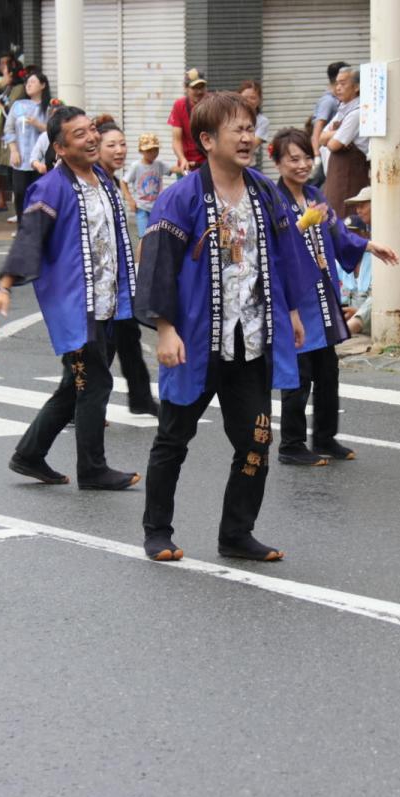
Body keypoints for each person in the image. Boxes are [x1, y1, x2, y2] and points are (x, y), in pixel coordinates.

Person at [135, 92, 308, 562]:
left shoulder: (265, 192)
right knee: (174, 437)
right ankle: (157, 531)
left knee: (256, 438)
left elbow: (286, 255)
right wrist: (165, 329)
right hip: (195, 339)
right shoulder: (180, 198)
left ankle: (236, 534)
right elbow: (157, 266)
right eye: (238, 129)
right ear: (207, 140)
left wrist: (291, 311)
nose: (248, 137)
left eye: (251, 127)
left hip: (250, 339)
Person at [0, 105, 140, 491]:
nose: (91, 138)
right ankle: (92, 469)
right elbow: (28, 237)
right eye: (79, 134)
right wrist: (4, 285)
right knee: (95, 383)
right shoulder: (50, 188)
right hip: (75, 306)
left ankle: (29, 454)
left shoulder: (103, 180)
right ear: (59, 146)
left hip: (106, 301)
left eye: (91, 130)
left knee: (76, 383)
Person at [270, 129, 397, 466]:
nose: (302, 165)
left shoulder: (315, 194)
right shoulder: (272, 200)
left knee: (328, 371)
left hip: (321, 299)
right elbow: (270, 248)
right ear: (277, 162)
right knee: (299, 376)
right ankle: (292, 445)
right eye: (293, 159)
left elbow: (339, 232)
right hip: (294, 301)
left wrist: (370, 245)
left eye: (306, 158)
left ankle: (325, 437)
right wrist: (299, 226)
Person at [96, 115, 158, 416]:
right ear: (96, 147)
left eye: (122, 144)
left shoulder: (110, 182)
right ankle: (74, 407)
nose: (119, 150)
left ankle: (141, 398)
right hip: (101, 285)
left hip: (120, 281)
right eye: (112, 145)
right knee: (101, 349)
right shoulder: (92, 182)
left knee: (129, 338)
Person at [320, 65, 369, 219]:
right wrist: (335, 135)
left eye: (343, 83)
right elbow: (321, 137)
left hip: (351, 174)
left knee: (347, 218)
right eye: (337, 84)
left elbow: (334, 145)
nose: (338, 88)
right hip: (336, 175)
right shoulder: (343, 109)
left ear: (356, 87)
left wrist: (331, 138)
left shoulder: (357, 112)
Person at [5, 70, 50, 225]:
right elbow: (9, 129)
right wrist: (13, 150)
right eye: (27, 82)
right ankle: (22, 228)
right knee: (19, 193)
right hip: (21, 159)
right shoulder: (18, 105)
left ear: (43, 85)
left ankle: (38, 229)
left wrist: (38, 125)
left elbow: (56, 131)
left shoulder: (49, 107)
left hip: (41, 161)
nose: (28, 85)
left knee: (39, 195)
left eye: (33, 82)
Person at [126, 132, 172, 239]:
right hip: (141, 207)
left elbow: (172, 169)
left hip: (156, 206)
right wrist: (130, 200)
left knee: (156, 235)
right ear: (141, 151)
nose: (153, 153)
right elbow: (123, 182)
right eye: (149, 151)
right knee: (144, 236)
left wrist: (185, 166)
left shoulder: (158, 164)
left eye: (156, 150)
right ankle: (143, 255)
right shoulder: (136, 166)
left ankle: (154, 254)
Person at [309, 61, 348, 184]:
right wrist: (316, 156)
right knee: (318, 184)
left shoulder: (339, 101)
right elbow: (317, 129)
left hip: (328, 151)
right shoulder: (329, 101)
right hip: (323, 151)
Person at [168, 68, 208, 174]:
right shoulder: (179, 105)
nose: (199, 92)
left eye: (202, 87)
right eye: (194, 88)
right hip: (187, 165)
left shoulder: (212, 104)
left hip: (210, 163)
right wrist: (182, 159)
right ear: (186, 88)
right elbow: (177, 139)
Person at [238, 80, 269, 168]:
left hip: (249, 165)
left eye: (252, 98)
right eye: (244, 97)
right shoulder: (230, 118)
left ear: (259, 100)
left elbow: (252, 144)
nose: (248, 101)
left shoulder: (262, 121)